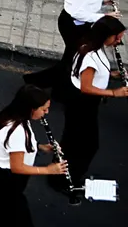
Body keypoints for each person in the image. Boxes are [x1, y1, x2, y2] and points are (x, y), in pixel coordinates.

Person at [0, 85, 67, 226]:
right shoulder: (18, 131)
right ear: (31, 108)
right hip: (6, 181)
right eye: (43, 109)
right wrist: (48, 170)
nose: (47, 112)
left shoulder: (13, 116)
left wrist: (40, 147)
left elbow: (16, 148)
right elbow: (17, 167)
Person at [59, 15, 128, 198]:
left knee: (73, 142)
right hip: (82, 104)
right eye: (117, 37)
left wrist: (112, 75)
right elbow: (86, 87)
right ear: (105, 35)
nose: (119, 41)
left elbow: (96, 73)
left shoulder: (93, 47)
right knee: (85, 146)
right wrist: (114, 93)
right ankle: (67, 180)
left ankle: (64, 175)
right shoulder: (90, 56)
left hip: (82, 103)